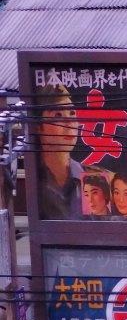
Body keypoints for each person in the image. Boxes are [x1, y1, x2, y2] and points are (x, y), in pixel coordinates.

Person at [35, 83, 83, 219]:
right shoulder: (35, 178)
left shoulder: (95, 178)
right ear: (38, 127)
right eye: (58, 115)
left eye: (72, 113)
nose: (70, 124)